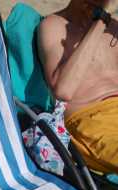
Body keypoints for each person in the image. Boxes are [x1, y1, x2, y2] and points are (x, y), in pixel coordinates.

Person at [38, 0, 118, 173]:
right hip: (93, 119)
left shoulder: (115, 29)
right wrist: (100, 21)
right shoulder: (53, 25)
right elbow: (63, 91)